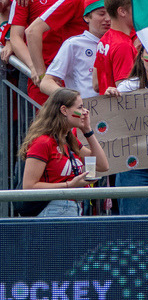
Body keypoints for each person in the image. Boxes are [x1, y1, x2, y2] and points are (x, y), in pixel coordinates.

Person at [19, 88, 110, 217]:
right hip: (52, 209)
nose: (85, 112)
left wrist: (88, 131)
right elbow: (28, 186)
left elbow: (102, 165)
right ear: (64, 110)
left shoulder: (69, 141)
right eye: (80, 107)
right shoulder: (43, 142)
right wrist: (69, 185)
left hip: (73, 208)